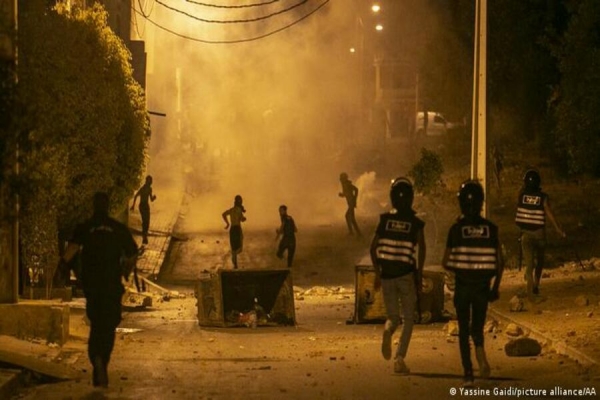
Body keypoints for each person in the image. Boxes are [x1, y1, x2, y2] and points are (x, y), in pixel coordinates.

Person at [60, 192, 138, 388]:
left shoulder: (85, 228)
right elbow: (132, 253)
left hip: (92, 286)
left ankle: (96, 359)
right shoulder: (117, 228)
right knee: (109, 326)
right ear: (108, 205)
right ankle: (103, 359)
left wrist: (67, 273)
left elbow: (68, 256)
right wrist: (126, 273)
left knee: (95, 325)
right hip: (112, 284)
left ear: (94, 206)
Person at [443, 180, 503, 387]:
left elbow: (446, 262)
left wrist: (456, 275)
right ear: (481, 202)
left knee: (463, 329)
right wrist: (495, 288)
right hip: (482, 288)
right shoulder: (491, 229)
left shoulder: (456, 229)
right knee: (477, 327)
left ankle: (468, 373)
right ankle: (481, 354)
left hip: (463, 287)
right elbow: (499, 262)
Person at [370, 177, 425, 375]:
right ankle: (399, 358)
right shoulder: (415, 222)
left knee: (393, 317)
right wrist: (419, 275)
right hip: (406, 276)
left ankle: (388, 330)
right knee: (409, 318)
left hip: (386, 277)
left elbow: (372, 248)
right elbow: (422, 249)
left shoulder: (385, 220)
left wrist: (377, 273)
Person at [515, 169, 565, 299]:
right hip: (539, 234)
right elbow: (548, 212)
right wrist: (558, 228)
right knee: (539, 261)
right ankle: (535, 286)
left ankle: (530, 290)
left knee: (529, 264)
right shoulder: (543, 197)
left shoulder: (521, 195)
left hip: (526, 234)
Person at [131, 175, 157, 245]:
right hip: (143, 206)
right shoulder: (144, 188)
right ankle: (144, 236)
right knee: (145, 220)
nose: (151, 182)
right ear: (148, 181)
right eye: (150, 180)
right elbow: (136, 196)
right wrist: (133, 205)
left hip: (144, 206)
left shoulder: (148, 189)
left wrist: (154, 198)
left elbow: (151, 199)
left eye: (151, 180)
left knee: (146, 221)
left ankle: (144, 235)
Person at [222, 195, 246, 269]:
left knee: (233, 248)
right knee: (240, 248)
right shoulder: (239, 210)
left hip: (232, 229)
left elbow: (223, 214)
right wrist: (244, 218)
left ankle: (235, 264)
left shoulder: (232, 210)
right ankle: (234, 261)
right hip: (237, 229)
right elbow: (242, 219)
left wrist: (227, 223)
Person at [338, 172, 361, 236]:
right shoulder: (345, 185)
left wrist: (354, 200)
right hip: (350, 203)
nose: (340, 180)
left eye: (341, 179)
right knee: (349, 217)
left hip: (351, 203)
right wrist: (342, 195)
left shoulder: (347, 184)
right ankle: (354, 232)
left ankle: (357, 233)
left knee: (351, 218)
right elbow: (347, 194)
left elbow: (356, 189)